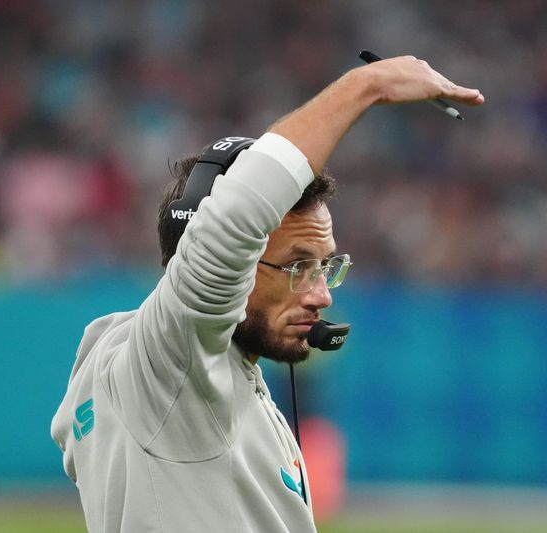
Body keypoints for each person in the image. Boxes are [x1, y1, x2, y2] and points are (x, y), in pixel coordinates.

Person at [50, 56, 484, 532]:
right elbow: (231, 223)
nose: (322, 296)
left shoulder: (155, 363)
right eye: (298, 266)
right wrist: (368, 85)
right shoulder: (171, 368)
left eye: (326, 268)